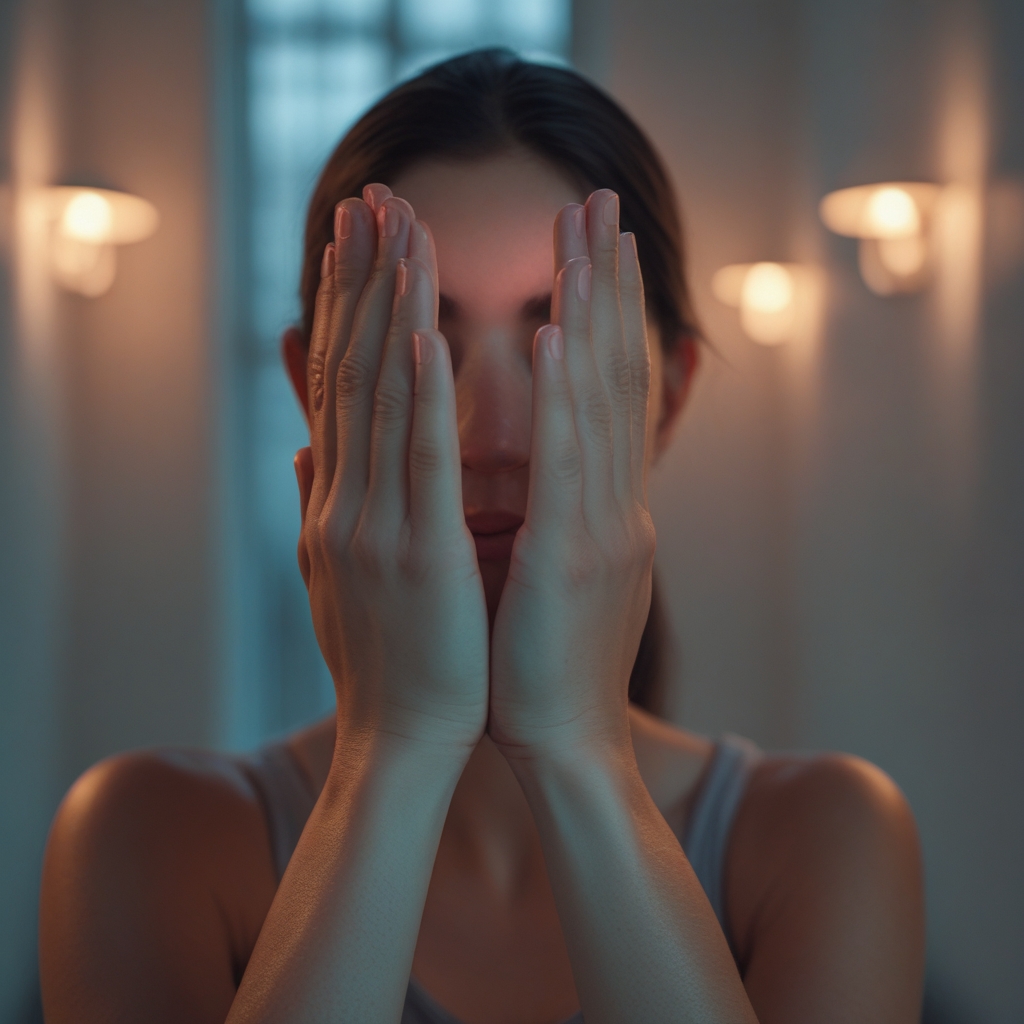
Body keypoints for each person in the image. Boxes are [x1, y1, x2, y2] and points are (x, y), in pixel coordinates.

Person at [39, 49, 925, 1024]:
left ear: (662, 396)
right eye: (417, 346)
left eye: (559, 344)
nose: (488, 438)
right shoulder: (149, 837)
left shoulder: (821, 838)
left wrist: (577, 750)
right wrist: (396, 750)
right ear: (314, 391)